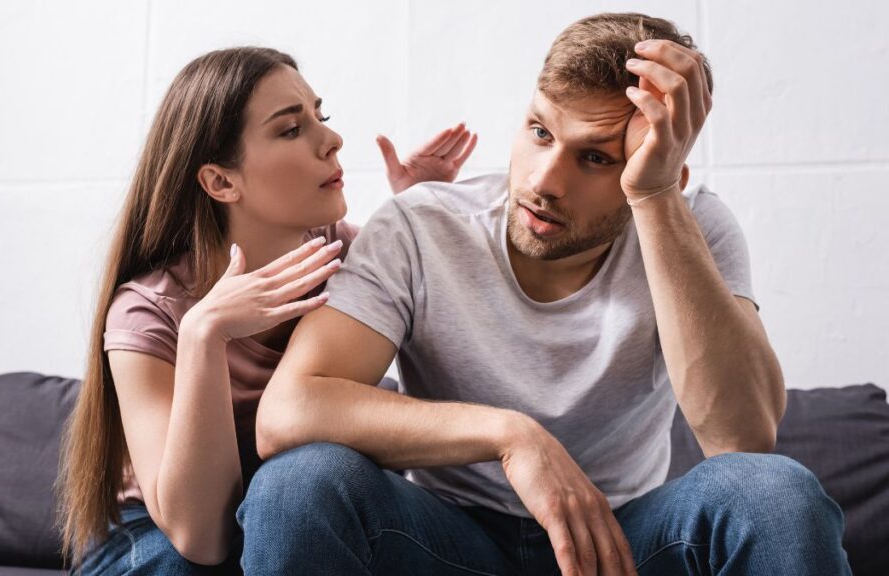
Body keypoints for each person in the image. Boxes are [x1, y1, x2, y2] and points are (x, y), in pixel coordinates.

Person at [240, 13, 852, 576]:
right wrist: (511, 437)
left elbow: (740, 439)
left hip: (622, 542)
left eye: (594, 158)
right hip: (447, 539)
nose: (543, 181)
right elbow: (287, 412)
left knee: (774, 493)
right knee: (300, 481)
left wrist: (657, 199)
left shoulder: (692, 226)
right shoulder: (420, 225)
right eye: (539, 131)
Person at [56, 46, 478, 575]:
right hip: (157, 536)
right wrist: (203, 335)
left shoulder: (344, 256)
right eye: (290, 129)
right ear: (221, 182)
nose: (333, 140)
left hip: (282, 515)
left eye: (320, 117)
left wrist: (417, 215)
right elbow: (200, 536)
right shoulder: (147, 312)